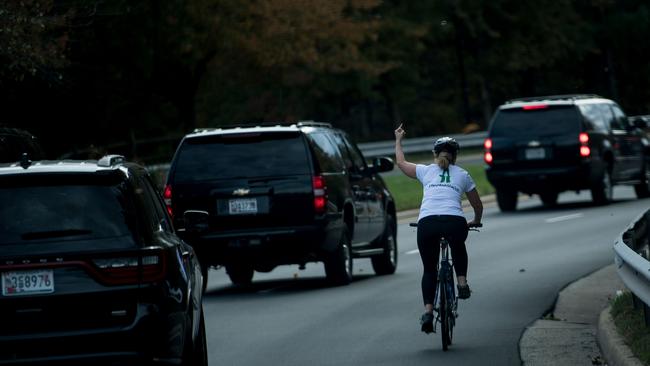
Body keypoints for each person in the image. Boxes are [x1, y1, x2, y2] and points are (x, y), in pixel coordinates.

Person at [393, 123, 483, 334]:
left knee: (429, 269)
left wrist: (398, 140)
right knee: (458, 245)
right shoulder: (463, 174)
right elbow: (477, 204)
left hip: (428, 223)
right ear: (456, 156)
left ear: (435, 154)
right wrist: (476, 219)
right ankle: (461, 283)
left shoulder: (425, 171)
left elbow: (400, 162)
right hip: (454, 221)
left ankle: (427, 311)